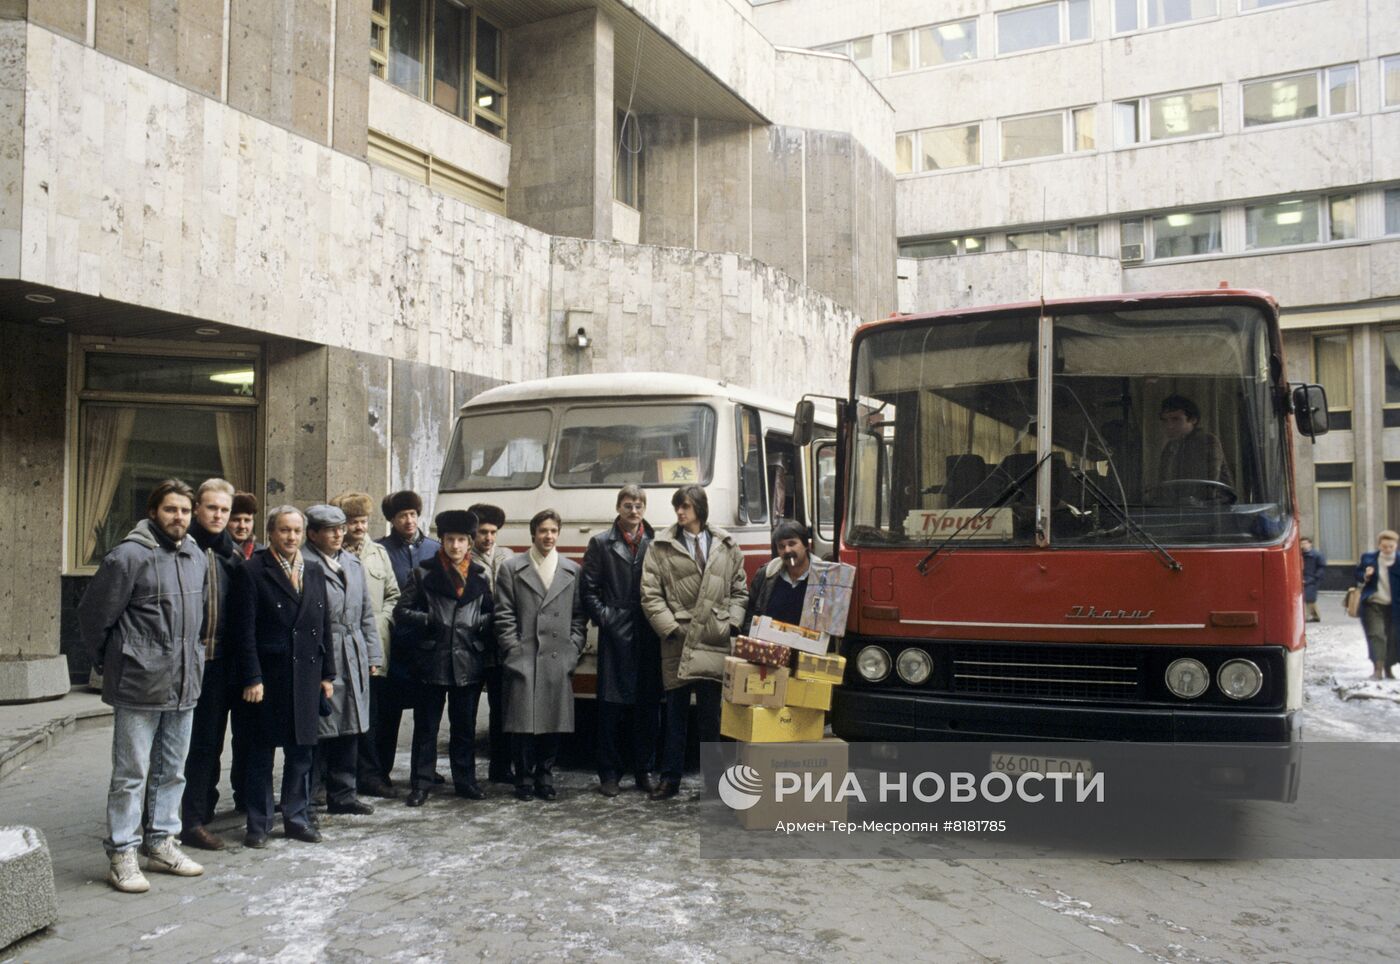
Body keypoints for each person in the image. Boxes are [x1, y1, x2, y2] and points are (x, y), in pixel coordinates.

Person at [79, 479, 208, 893]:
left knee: (172, 771)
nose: (179, 518)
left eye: (185, 511)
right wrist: (111, 660)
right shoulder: (128, 557)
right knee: (131, 773)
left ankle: (162, 843)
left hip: (184, 681)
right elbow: (93, 616)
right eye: (171, 510)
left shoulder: (195, 555)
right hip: (139, 681)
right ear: (153, 512)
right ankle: (122, 853)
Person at [229, 506, 336, 848]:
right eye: (284, 531)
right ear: (272, 533)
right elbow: (242, 631)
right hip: (268, 678)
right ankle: (258, 824)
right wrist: (251, 677)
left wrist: (327, 673)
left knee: (302, 753)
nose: (291, 537)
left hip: (306, 674)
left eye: (296, 531)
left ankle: (296, 818)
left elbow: (325, 626)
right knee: (260, 753)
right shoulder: (251, 571)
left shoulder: (315, 570)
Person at [639, 485, 748, 801]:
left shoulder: (727, 545)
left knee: (710, 719)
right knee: (674, 716)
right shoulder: (660, 546)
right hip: (679, 640)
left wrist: (732, 624)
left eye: (685, 506)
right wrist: (670, 627)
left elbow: (739, 590)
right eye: (677, 507)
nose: (680, 512)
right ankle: (670, 780)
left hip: (714, 638)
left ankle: (712, 784)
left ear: (700, 508)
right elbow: (650, 593)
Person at [394, 510, 495, 806]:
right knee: (426, 727)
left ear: (470, 542)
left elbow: (492, 613)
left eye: (462, 540)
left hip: (467, 661)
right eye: (450, 539)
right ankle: (421, 783)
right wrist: (429, 620)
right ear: (442, 541)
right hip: (432, 659)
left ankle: (465, 781)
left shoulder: (479, 575)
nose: (455, 546)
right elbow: (401, 611)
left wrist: (479, 623)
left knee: (464, 727)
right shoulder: (423, 573)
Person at [496, 509, 588, 801]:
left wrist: (572, 650)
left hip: (556, 657)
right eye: (543, 531)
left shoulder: (571, 570)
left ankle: (545, 778)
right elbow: (504, 614)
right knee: (523, 724)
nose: (548, 536)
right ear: (533, 533)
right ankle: (523, 779)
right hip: (524, 656)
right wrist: (512, 649)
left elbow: (578, 618)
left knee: (552, 722)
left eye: (553, 531)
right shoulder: (512, 568)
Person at [581, 485, 660, 797]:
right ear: (618, 508)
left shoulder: (656, 542)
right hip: (615, 631)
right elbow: (589, 590)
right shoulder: (601, 543)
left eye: (639, 505)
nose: (634, 510)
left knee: (648, 707)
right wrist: (606, 618)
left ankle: (644, 770)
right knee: (610, 707)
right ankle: (609, 774)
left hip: (648, 630)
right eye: (628, 505)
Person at [305, 504, 384, 816]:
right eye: (330, 529)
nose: (338, 534)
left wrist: (372, 654)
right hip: (322, 653)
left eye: (340, 528)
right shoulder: (306, 563)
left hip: (352, 650)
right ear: (313, 534)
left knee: (350, 724)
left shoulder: (351, 562)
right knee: (319, 726)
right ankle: (310, 796)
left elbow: (366, 612)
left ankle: (344, 793)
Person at [179, 478, 244, 853]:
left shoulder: (231, 555)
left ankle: (195, 818)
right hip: (179, 662)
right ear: (197, 509)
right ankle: (159, 817)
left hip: (218, 665)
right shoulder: (180, 547)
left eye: (224, 509)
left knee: (207, 744)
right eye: (211, 508)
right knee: (171, 745)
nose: (218, 515)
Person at [331, 491, 401, 799]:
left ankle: (370, 775)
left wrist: (382, 621)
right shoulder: (332, 554)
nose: (359, 527)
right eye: (353, 521)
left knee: (370, 714)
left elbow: (393, 594)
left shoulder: (378, 553)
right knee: (335, 713)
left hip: (373, 646)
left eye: (363, 521)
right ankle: (330, 779)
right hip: (338, 647)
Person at [378, 490, 442, 783]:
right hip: (394, 643)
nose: (409, 520)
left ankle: (424, 770)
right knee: (388, 714)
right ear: (392, 519)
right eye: (402, 515)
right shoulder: (381, 551)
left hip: (427, 645)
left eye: (413, 514)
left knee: (427, 715)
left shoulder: (434, 549)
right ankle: (381, 771)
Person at [468, 502, 515, 785]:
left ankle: (501, 768)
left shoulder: (507, 557)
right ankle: (467, 773)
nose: (488, 538)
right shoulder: (466, 558)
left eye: (493, 532)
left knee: (502, 711)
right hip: (474, 646)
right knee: (467, 714)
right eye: (483, 532)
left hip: (502, 646)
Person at [225, 491, 259, 811]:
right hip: (219, 660)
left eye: (247, 520)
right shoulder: (217, 553)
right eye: (236, 519)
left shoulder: (260, 555)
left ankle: (245, 796)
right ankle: (202, 802)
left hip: (250, 662)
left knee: (247, 736)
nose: (241, 525)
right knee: (206, 740)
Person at [742, 520, 830, 633]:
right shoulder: (766, 574)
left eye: (792, 544)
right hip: (770, 646)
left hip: (807, 648)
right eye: (781, 546)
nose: (787, 550)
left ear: (805, 545)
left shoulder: (824, 577)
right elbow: (750, 612)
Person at [1157, 395, 1233, 488]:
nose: (1169, 426)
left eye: (1176, 419)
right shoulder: (1170, 447)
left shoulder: (1207, 441)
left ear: (1193, 419)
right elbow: (1163, 482)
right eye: (1165, 420)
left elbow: (1209, 483)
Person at [1355, 530, 1400, 681]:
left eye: (1391, 546)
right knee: (1376, 635)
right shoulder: (1369, 558)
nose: (1387, 549)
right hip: (1372, 604)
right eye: (1384, 546)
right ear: (1379, 545)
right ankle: (1378, 669)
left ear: (1396, 546)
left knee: (1393, 638)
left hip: (1395, 607)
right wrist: (1365, 575)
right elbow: (1357, 574)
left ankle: (1389, 668)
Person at [1301, 536, 1326, 624]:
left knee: (1309, 598)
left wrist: (1316, 577)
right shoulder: (1301, 554)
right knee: (1308, 598)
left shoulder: (1317, 554)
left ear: (1310, 544)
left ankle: (1309, 616)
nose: (1303, 545)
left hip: (1313, 578)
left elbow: (1321, 567)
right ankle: (1315, 616)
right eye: (1302, 543)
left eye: (1305, 543)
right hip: (1304, 577)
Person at [228, 492, 260, 561]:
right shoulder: (215, 552)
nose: (242, 526)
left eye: (247, 520)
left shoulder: (262, 553)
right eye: (236, 520)